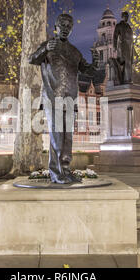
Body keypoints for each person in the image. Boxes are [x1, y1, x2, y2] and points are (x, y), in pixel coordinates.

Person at [29, 14, 101, 184]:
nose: (66, 27)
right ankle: (55, 172)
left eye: (69, 25)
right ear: (56, 26)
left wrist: (95, 63)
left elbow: (88, 71)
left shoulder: (75, 52)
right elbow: (31, 59)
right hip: (52, 97)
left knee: (68, 137)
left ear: (71, 29)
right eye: (63, 24)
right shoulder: (49, 45)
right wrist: (44, 50)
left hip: (70, 99)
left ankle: (66, 170)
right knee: (56, 135)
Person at [113, 11, 135, 83]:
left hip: (129, 47)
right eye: (125, 16)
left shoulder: (129, 26)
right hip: (122, 46)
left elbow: (132, 39)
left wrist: (134, 49)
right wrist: (114, 47)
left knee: (129, 63)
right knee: (123, 62)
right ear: (122, 17)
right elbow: (115, 36)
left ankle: (127, 79)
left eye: (127, 16)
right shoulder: (119, 25)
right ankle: (122, 78)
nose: (126, 18)